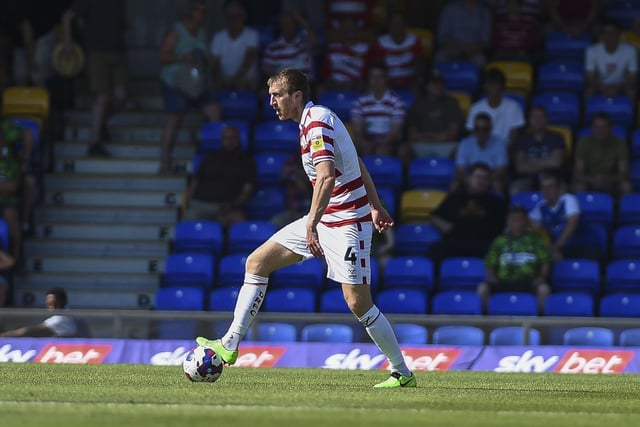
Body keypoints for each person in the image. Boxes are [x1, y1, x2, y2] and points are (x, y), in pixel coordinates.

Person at [196, 68, 416, 388]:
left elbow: (326, 176)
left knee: (358, 302)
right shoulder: (313, 122)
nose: (272, 102)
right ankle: (229, 344)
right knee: (257, 262)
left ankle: (402, 371)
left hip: (347, 224)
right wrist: (376, 204)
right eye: (270, 96)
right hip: (327, 217)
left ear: (297, 96)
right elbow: (357, 163)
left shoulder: (316, 122)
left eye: (277, 95)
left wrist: (318, 220)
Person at [157, 0, 221, 174]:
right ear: (191, 12)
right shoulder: (176, 30)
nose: (203, 14)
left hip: (197, 83)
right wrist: (183, 58)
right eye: (201, 10)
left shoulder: (201, 32)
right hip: (176, 82)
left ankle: (212, 162)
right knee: (176, 117)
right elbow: (162, 56)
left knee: (214, 111)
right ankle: (164, 162)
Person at [62, 0, 131, 157]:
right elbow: (67, 17)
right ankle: (94, 143)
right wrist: (68, 43)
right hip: (97, 52)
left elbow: (124, 22)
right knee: (101, 96)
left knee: (121, 96)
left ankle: (101, 122)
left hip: (119, 51)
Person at [430, 162, 508, 264]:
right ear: (468, 179)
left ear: (489, 182)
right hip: (456, 241)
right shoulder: (455, 198)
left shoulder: (496, 202)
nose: (481, 181)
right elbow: (434, 216)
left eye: (485, 178)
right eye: (478, 177)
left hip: (484, 243)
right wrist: (445, 227)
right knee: (435, 251)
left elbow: (506, 224)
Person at [478, 205, 551, 313]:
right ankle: (485, 327)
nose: (517, 222)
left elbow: (546, 261)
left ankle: (540, 327)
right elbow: (490, 262)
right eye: (513, 219)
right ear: (508, 221)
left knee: (544, 290)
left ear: (526, 222)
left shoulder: (536, 240)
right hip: (503, 281)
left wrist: (542, 276)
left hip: (528, 281)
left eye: (520, 219)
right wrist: (491, 276)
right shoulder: (500, 241)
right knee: (482, 289)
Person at [183, 125, 256, 227]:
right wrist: (187, 203)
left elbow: (247, 190)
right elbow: (195, 182)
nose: (229, 141)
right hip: (201, 204)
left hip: (227, 207)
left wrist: (233, 205)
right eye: (226, 137)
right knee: (187, 224)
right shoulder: (209, 158)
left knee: (239, 222)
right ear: (221, 140)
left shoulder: (246, 162)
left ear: (239, 139)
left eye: (233, 137)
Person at [350, 62, 409, 164]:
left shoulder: (396, 102)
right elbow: (358, 131)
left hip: (390, 142)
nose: (376, 81)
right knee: (351, 149)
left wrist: (383, 144)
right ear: (369, 79)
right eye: (373, 77)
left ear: (386, 79)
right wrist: (364, 143)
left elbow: (395, 132)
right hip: (368, 141)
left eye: (380, 77)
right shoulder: (360, 102)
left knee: (400, 150)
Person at [406, 68, 462, 158]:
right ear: (426, 86)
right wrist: (439, 136)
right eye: (434, 83)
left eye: (440, 83)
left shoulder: (451, 103)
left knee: (459, 150)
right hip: (421, 146)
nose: (438, 86)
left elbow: (453, 135)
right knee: (404, 150)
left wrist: (427, 136)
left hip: (445, 145)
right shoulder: (417, 104)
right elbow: (412, 135)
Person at [573, 112, 633, 197]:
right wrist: (592, 179)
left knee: (626, 186)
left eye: (604, 126)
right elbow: (578, 173)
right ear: (592, 128)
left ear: (610, 128)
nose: (600, 130)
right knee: (579, 187)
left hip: (612, 181)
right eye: (597, 127)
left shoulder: (619, 144)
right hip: (590, 181)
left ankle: (621, 210)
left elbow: (624, 173)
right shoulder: (583, 143)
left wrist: (607, 179)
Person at [510, 106, 566, 195]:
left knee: (562, 189)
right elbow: (520, 167)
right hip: (528, 179)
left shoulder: (557, 138)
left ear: (546, 119)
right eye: (534, 117)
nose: (537, 120)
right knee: (515, 189)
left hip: (552, 177)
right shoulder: (522, 140)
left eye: (541, 117)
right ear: (529, 120)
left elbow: (556, 163)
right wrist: (547, 162)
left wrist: (530, 163)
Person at [529, 171, 583, 261]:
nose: (547, 191)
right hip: (557, 248)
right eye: (544, 187)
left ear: (559, 189)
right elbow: (527, 223)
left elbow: (572, 224)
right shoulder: (540, 207)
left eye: (550, 187)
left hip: (578, 245)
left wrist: (555, 247)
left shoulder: (568, 199)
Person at [465, 68, 525, 145]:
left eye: (496, 83)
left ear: (502, 86)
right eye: (490, 83)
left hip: (505, 149)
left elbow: (514, 135)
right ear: (484, 86)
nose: (493, 87)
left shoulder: (513, 107)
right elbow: (472, 133)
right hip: (482, 148)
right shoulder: (476, 108)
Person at [210, 0, 259, 91]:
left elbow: (249, 60)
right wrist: (219, 79)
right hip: (224, 80)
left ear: (243, 16)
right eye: (230, 17)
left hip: (245, 80)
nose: (234, 20)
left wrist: (235, 79)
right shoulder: (218, 37)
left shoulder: (252, 35)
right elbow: (214, 64)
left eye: (237, 17)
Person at [454, 113, 508, 194]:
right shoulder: (465, 143)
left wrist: (484, 180)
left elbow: (500, 170)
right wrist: (468, 180)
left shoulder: (499, 143)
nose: (480, 132)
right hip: (471, 177)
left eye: (484, 129)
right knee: (454, 185)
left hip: (490, 177)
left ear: (490, 129)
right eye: (477, 129)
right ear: (474, 130)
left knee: (497, 185)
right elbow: (460, 170)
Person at [585, 19, 638, 100]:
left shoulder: (630, 50)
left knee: (631, 92)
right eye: (605, 32)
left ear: (620, 35)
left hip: (622, 85)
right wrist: (602, 87)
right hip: (600, 85)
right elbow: (590, 77)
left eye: (613, 32)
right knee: (588, 92)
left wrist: (617, 87)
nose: (609, 35)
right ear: (601, 35)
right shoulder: (592, 50)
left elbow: (632, 77)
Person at [261, 11, 319, 84]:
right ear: (280, 26)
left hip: (305, 87)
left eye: (290, 23)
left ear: (296, 25)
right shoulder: (273, 48)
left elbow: (316, 43)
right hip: (283, 88)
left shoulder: (305, 43)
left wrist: (302, 22)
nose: (288, 27)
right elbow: (267, 72)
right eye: (284, 24)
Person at [371, 10, 424, 91]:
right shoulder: (381, 42)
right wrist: (387, 81)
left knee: (416, 88)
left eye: (399, 22)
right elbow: (379, 67)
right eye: (393, 23)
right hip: (388, 81)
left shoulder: (414, 40)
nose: (396, 26)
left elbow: (418, 65)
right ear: (389, 25)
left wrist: (416, 80)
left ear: (405, 25)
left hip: (409, 80)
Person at [321, 16, 372, 93]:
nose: (348, 30)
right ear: (341, 29)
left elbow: (367, 73)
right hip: (334, 84)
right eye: (345, 27)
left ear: (356, 29)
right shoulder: (332, 49)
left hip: (355, 85)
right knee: (320, 89)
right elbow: (326, 74)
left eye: (351, 27)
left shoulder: (365, 49)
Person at [0, 288, 78, 337]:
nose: (52, 309)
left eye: (55, 305)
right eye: (49, 305)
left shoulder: (60, 319)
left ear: (64, 302)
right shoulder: (68, 309)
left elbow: (28, 332)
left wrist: (3, 336)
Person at [435, 0, 492, 66]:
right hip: (452, 48)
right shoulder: (450, 8)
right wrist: (459, 46)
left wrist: (473, 48)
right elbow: (442, 35)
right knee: (440, 58)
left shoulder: (484, 11)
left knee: (480, 60)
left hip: (474, 51)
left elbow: (485, 40)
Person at [270, 152, 312, 229]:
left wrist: (302, 179)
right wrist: (297, 178)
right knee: (276, 222)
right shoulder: (293, 160)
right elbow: (284, 175)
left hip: (310, 210)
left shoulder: (314, 161)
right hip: (291, 210)